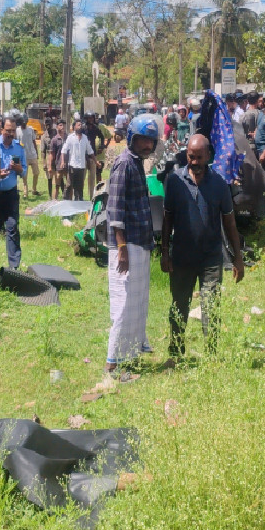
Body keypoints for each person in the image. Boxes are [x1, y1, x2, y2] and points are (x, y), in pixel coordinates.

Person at [161, 133, 245, 360]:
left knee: (210, 308)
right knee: (179, 306)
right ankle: (176, 352)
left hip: (210, 259)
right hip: (181, 258)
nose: (194, 162)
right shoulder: (175, 182)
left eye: (199, 157)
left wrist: (238, 258)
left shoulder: (219, 185)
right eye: (191, 156)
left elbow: (229, 222)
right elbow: (167, 219)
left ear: (209, 156)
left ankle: (211, 355)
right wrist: (164, 252)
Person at [105, 117, 162, 378]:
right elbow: (115, 208)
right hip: (126, 245)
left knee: (138, 300)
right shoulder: (124, 163)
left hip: (140, 241)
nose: (147, 144)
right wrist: (122, 247)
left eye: (150, 140)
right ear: (131, 139)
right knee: (124, 302)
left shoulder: (137, 163)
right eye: (142, 139)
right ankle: (112, 365)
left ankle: (130, 354)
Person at [0, 116, 26, 272]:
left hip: (10, 195)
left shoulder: (19, 147)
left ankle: (14, 265)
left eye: (13, 131)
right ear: (1, 129)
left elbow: (23, 171)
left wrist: (18, 169)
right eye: (8, 130)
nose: (10, 133)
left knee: (12, 228)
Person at [61, 121, 98, 201]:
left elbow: (90, 151)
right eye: (78, 125)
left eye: (81, 125)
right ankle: (66, 201)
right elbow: (64, 150)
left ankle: (79, 202)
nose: (80, 126)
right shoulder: (70, 137)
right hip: (72, 165)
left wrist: (96, 161)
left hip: (81, 166)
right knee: (69, 185)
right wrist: (62, 161)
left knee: (80, 186)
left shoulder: (85, 138)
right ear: (74, 127)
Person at [19, 115, 40, 198]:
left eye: (25, 122)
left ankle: (34, 189)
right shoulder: (17, 131)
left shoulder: (30, 129)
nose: (24, 124)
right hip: (24, 157)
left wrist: (37, 153)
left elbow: (34, 142)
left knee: (36, 173)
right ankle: (25, 193)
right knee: (25, 176)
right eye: (22, 122)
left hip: (32, 155)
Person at [47, 120, 67, 200]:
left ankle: (68, 201)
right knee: (57, 185)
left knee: (68, 185)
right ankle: (54, 201)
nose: (62, 127)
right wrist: (50, 166)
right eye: (61, 125)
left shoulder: (68, 138)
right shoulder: (54, 140)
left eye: (64, 125)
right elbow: (51, 154)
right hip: (58, 166)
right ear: (57, 127)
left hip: (67, 165)